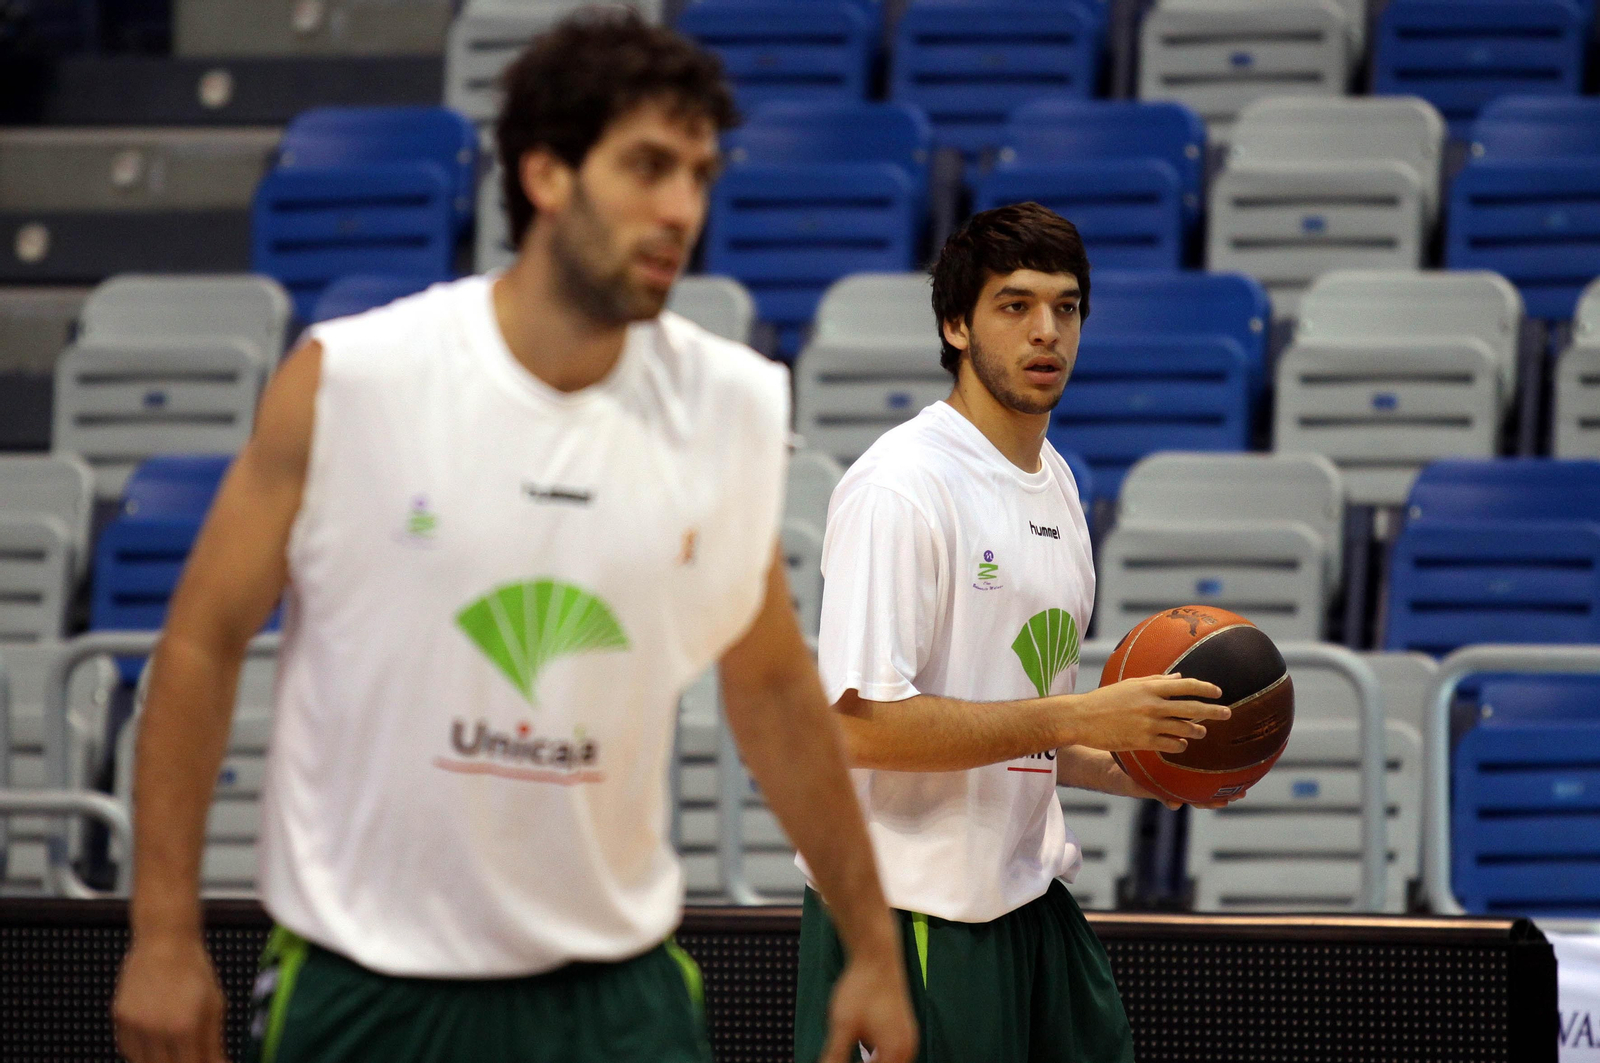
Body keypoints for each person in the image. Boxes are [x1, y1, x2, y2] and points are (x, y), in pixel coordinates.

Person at [112, 11, 917, 1063]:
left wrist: (871, 945)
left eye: (700, 174)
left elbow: (768, 689)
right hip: (369, 985)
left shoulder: (728, 405)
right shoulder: (353, 380)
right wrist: (163, 933)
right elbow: (200, 642)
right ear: (546, 174)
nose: (682, 207)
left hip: (617, 995)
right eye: (647, 167)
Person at [793, 202, 1240, 1063]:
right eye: (1015, 305)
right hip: (912, 915)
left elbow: (1021, 731)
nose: (1047, 331)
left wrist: (1145, 765)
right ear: (956, 325)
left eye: (1066, 307)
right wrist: (1075, 718)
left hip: (1028, 903)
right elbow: (856, 729)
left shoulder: (1058, 482)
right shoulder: (902, 487)